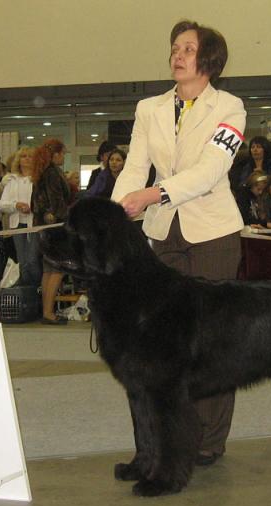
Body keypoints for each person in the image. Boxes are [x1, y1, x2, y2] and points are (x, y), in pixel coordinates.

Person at [111, 20, 246, 466]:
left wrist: (153, 194)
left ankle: (208, 441)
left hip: (214, 232)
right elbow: (134, 168)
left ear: (208, 59)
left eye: (188, 48)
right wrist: (116, 212)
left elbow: (210, 171)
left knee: (211, 341)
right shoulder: (148, 108)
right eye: (174, 47)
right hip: (163, 234)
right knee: (163, 345)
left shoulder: (230, 107)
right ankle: (168, 438)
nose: (177, 54)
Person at [32, 138, 71, 325]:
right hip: (55, 228)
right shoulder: (53, 173)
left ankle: (45, 311)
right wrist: (68, 218)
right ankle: (49, 312)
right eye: (62, 153)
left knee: (48, 271)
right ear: (55, 154)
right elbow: (57, 202)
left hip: (43, 228)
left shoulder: (42, 172)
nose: (63, 156)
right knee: (57, 270)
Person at [0, 147, 42, 286]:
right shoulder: (11, 180)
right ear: (19, 160)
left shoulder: (39, 178)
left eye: (30, 156)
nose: (27, 159)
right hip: (17, 224)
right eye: (24, 156)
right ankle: (27, 292)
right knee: (22, 262)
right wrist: (16, 205)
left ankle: (37, 288)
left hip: (34, 224)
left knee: (32, 259)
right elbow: (2, 204)